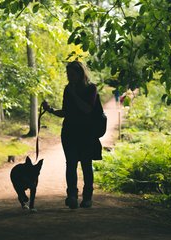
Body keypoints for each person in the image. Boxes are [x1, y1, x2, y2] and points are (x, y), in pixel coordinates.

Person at [42, 61, 102, 209]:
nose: (69, 77)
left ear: (80, 74)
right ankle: (72, 196)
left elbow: (87, 109)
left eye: (72, 74)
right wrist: (50, 110)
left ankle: (87, 198)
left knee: (86, 165)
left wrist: (74, 94)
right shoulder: (67, 89)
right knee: (71, 164)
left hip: (87, 133)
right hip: (69, 132)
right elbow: (65, 112)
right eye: (68, 75)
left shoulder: (91, 88)